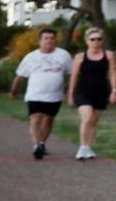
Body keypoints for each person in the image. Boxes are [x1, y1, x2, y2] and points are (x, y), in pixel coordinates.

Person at [9, 28, 72, 159]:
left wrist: (68, 91)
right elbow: (20, 76)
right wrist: (14, 90)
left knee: (48, 120)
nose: (49, 41)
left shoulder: (63, 55)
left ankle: (42, 143)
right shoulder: (31, 57)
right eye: (46, 38)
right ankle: (37, 145)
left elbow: (71, 74)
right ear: (40, 41)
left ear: (55, 40)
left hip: (55, 95)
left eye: (51, 38)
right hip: (35, 94)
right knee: (36, 117)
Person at [67, 27, 116, 159]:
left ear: (102, 40)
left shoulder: (109, 55)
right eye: (93, 39)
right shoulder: (80, 57)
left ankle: (88, 147)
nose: (96, 41)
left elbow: (112, 74)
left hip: (101, 91)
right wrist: (70, 94)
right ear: (87, 41)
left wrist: (114, 91)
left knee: (94, 121)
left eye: (99, 39)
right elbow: (74, 76)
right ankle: (82, 148)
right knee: (87, 117)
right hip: (83, 91)